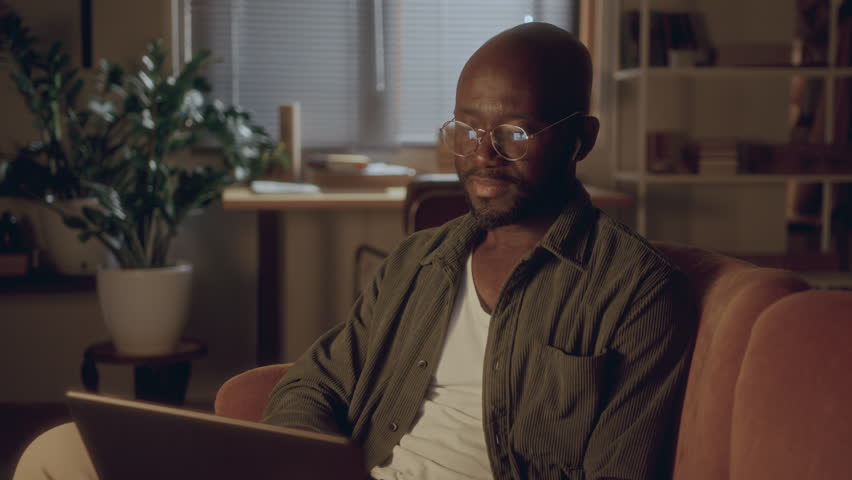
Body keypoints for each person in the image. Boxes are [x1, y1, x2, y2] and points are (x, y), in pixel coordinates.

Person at [14, 22, 696, 480]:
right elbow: (316, 382)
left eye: (515, 134)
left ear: (581, 139)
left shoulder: (636, 294)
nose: (482, 156)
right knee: (56, 455)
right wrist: (299, 464)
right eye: (466, 129)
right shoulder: (420, 263)